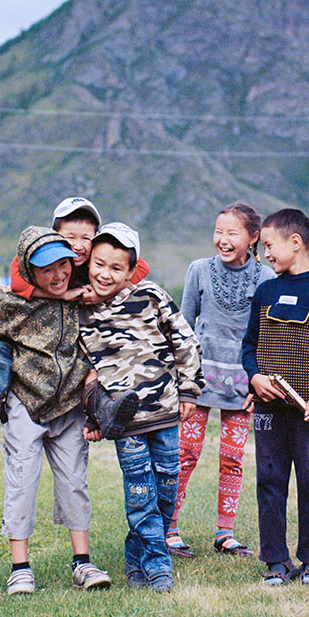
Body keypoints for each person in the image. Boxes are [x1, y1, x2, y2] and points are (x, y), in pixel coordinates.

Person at [0, 226, 112, 594]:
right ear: (29, 271)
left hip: (70, 407)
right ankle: (21, 568)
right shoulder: (12, 300)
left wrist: (73, 291)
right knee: (22, 482)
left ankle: (83, 564)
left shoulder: (81, 292)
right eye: (46, 269)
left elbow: (133, 270)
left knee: (75, 483)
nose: (58, 275)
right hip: (26, 405)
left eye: (63, 265)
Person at [0, 197, 148, 450]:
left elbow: (139, 269)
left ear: (96, 238)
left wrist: (100, 293)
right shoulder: (38, 254)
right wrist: (60, 294)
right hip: (30, 334)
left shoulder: (98, 261)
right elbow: (17, 282)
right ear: (54, 234)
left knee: (91, 363)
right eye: (70, 237)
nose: (78, 246)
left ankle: (106, 414)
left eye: (86, 238)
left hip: (71, 341)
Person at [78, 223, 204, 592]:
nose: (105, 273)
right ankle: (158, 565)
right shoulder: (80, 313)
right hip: (124, 422)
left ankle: (136, 555)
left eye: (116, 268)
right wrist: (96, 418)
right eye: (99, 264)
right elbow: (84, 373)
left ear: (131, 271)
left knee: (166, 487)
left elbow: (185, 341)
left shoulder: (150, 296)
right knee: (140, 492)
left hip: (165, 412)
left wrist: (189, 391)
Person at [240, 208, 309, 586]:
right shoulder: (265, 291)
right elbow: (249, 346)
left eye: (269, 245)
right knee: (269, 481)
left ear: (296, 242)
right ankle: (275, 561)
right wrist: (254, 377)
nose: (265, 253)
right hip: (269, 410)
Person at [166, 203, 274, 559]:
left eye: (232, 233)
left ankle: (225, 533)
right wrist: (183, 382)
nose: (222, 240)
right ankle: (169, 528)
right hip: (198, 384)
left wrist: (259, 387)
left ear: (253, 237)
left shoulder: (265, 280)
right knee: (185, 454)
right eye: (218, 231)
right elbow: (181, 328)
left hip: (242, 388)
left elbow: (267, 340)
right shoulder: (198, 270)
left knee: (233, 458)